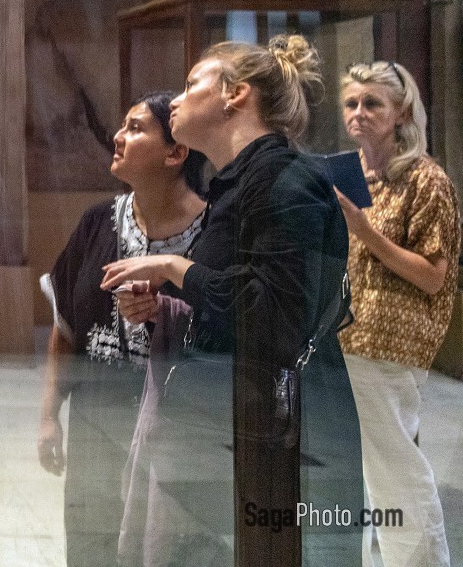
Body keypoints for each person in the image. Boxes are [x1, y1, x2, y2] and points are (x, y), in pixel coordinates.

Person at [102, 35, 363, 567]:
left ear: (234, 95)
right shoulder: (247, 181)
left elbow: (278, 316)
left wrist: (176, 268)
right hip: (245, 428)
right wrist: (172, 300)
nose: (175, 99)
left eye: (193, 82)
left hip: (284, 435)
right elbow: (242, 303)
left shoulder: (284, 178)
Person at [37, 92, 207, 567]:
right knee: (93, 547)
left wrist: (164, 310)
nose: (118, 136)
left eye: (135, 128)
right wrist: (50, 416)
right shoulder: (98, 223)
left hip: (176, 430)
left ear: (175, 154)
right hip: (98, 422)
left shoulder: (213, 231)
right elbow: (64, 329)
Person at [337, 61, 459, 567]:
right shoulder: (353, 174)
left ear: (401, 111)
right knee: (370, 471)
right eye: (352, 103)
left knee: (395, 465)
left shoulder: (425, 179)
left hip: (391, 340)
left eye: (372, 104)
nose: (359, 114)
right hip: (348, 333)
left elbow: (434, 275)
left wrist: (366, 232)